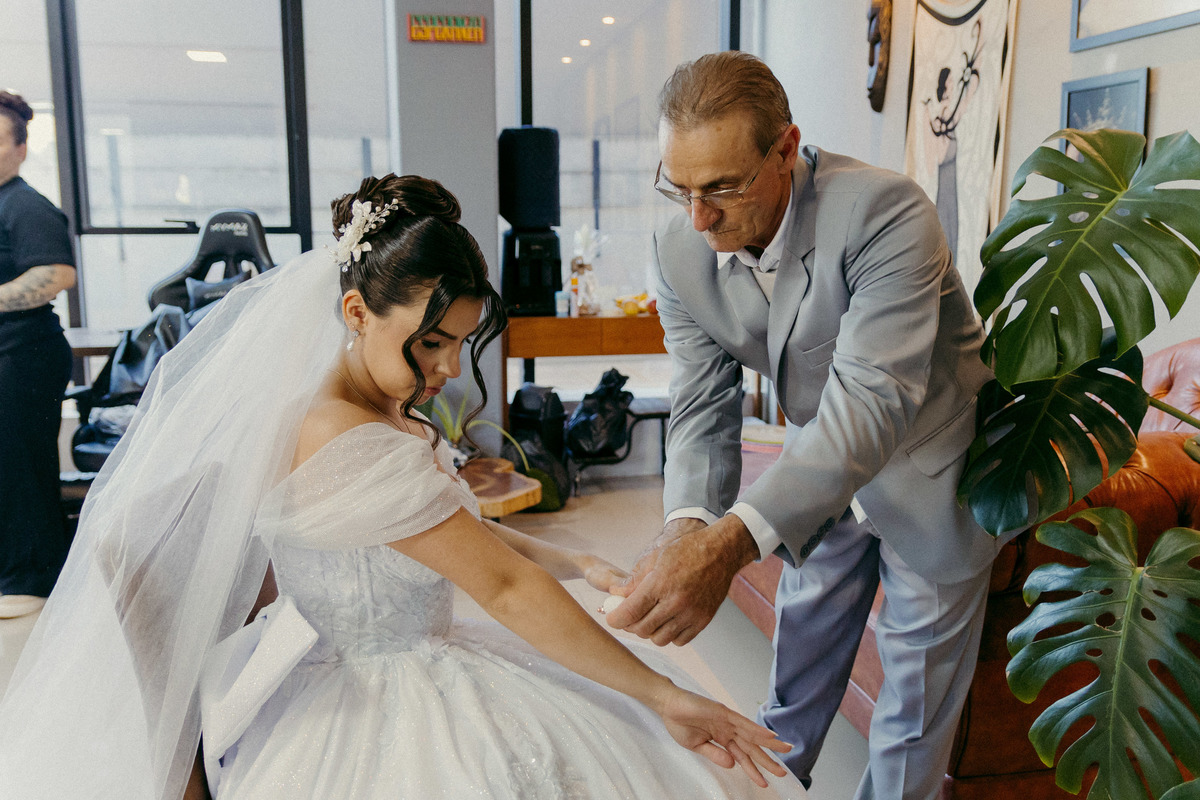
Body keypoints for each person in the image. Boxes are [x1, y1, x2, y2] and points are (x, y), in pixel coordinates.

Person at [0, 173, 804, 799]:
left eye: (459, 343)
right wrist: (663, 695)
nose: (450, 367)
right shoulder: (341, 436)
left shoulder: (365, 407)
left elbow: (452, 530)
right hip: (373, 696)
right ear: (357, 312)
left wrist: (578, 562)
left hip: (414, 656)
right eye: (430, 343)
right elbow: (501, 584)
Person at [606, 52, 1003, 800]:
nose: (698, 218)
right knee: (797, 662)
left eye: (722, 187)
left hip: (928, 467)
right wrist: (687, 525)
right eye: (679, 188)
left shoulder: (886, 212)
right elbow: (701, 402)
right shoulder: (678, 249)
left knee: (910, 719)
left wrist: (730, 545)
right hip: (816, 466)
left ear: (786, 149)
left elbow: (873, 399)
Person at [0, 90, 77, 619]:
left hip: (24, 358)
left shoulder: (25, 204)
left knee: (22, 470)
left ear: (20, 148)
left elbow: (57, 273)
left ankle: (32, 581)